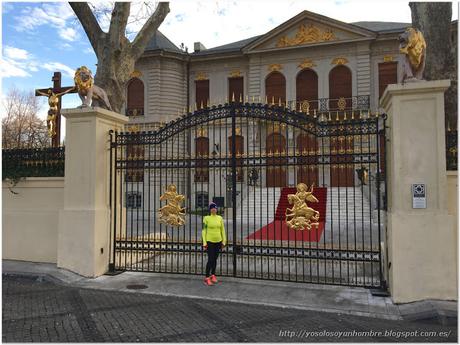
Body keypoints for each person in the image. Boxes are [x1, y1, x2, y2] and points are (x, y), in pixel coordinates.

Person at [202, 202, 226, 286]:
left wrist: (224, 241)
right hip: (210, 241)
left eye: (215, 208)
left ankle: (213, 275)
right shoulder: (206, 218)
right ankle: (207, 277)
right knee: (210, 260)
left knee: (215, 259)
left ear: (216, 209)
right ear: (210, 209)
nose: (214, 209)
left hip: (218, 241)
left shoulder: (220, 218)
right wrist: (204, 242)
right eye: (212, 208)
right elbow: (204, 231)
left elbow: (222, 230)